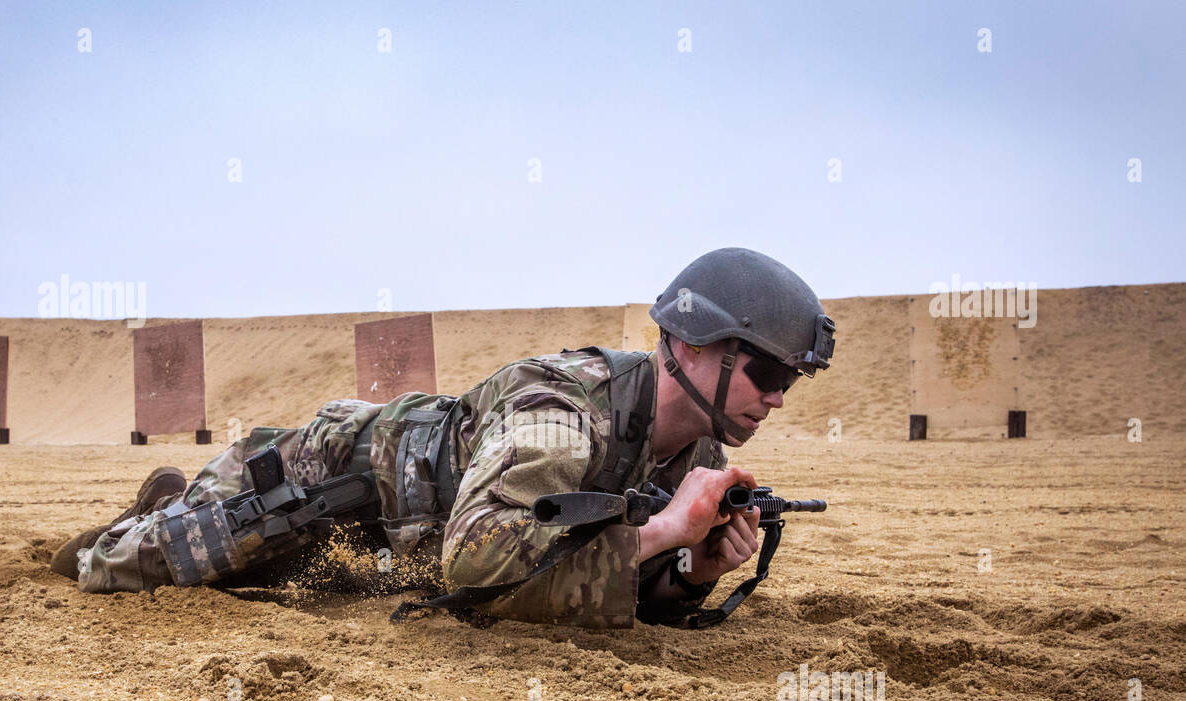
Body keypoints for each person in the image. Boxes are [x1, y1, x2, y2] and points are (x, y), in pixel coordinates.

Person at [50, 247, 835, 629]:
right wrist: (666, 527)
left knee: (290, 586)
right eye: (764, 369)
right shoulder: (559, 410)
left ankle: (171, 500)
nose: (774, 395)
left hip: (383, 554)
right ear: (691, 346)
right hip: (318, 485)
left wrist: (694, 568)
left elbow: (617, 591)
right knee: (113, 572)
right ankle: (156, 508)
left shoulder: (698, 456)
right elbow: (480, 561)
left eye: (787, 380)